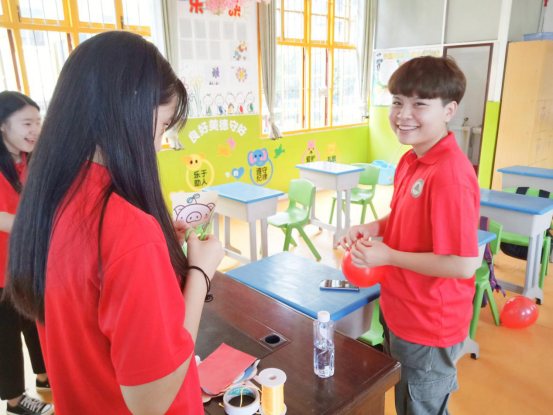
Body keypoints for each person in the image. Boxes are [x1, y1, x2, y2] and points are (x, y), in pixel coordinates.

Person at [5, 31, 224, 414]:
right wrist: (200, 274)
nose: (159, 143)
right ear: (130, 114)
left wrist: (154, 254)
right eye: (162, 126)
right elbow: (152, 401)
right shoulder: (126, 228)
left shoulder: (52, 198)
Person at [339, 56, 481, 415]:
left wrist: (387, 255)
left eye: (419, 104)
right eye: (397, 102)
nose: (403, 114)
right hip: (400, 308)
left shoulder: (450, 175)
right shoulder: (410, 159)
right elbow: (404, 217)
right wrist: (373, 228)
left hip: (429, 325)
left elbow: (463, 265)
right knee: (406, 403)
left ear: (449, 110)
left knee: (421, 409)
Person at [0, 91, 53, 415]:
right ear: (2, 125)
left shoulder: (26, 160)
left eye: (38, 122)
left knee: (34, 320)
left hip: (25, 261)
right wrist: (39, 224)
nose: (35, 130)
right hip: (0, 267)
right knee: (6, 333)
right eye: (26, 123)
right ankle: (14, 399)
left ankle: (44, 377)